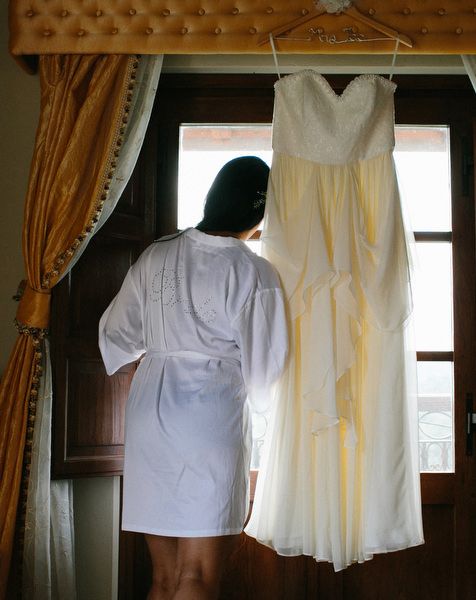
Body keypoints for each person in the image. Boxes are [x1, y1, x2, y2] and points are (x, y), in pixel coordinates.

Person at [98, 156, 288, 600]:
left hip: (150, 412)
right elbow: (264, 377)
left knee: (163, 578)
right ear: (260, 215)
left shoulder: (158, 253)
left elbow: (116, 335)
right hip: (210, 415)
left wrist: (170, 339)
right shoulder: (254, 272)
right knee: (198, 577)